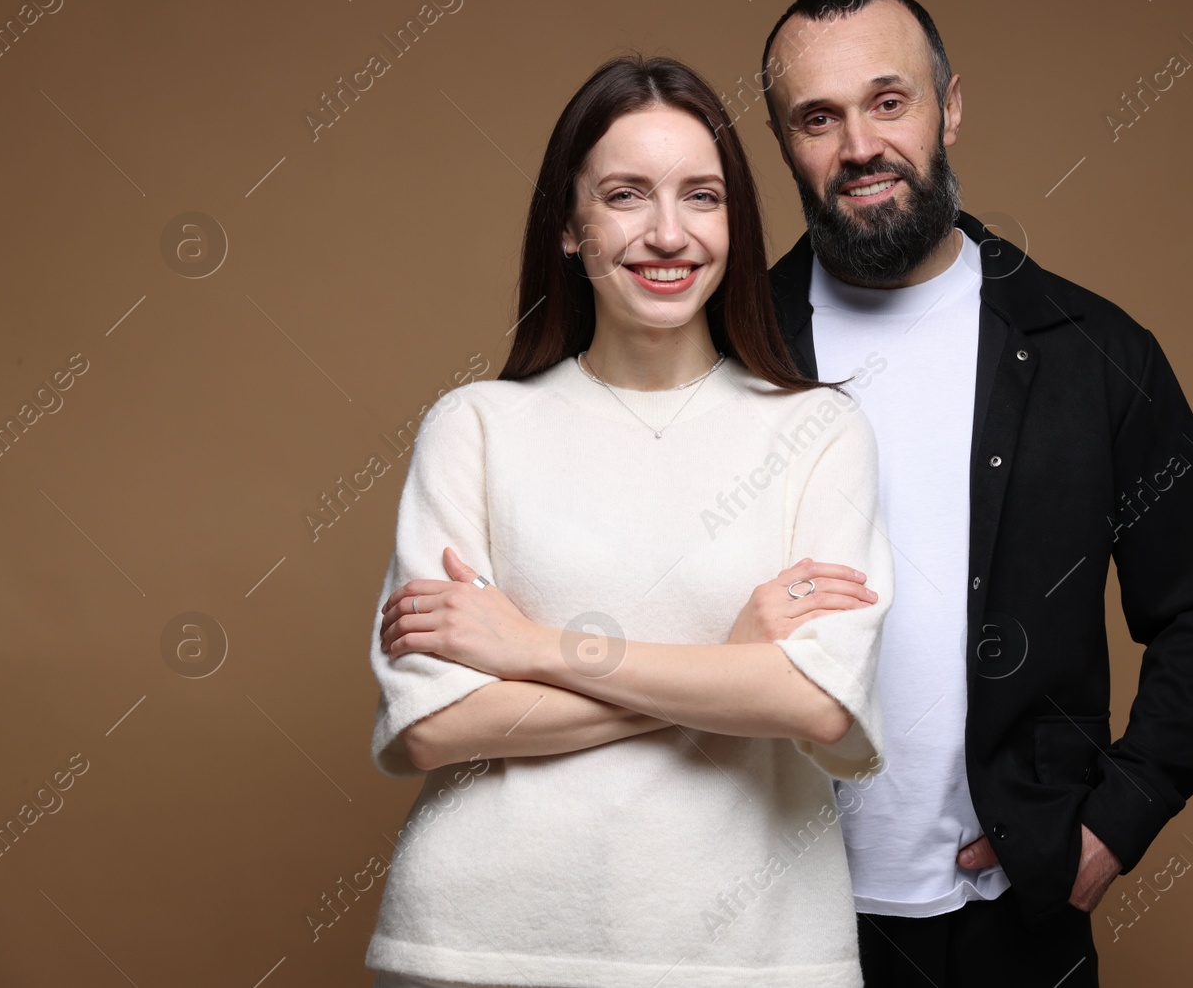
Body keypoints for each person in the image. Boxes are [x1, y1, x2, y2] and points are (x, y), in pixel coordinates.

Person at [746, 0, 1193, 987]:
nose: (858, 145)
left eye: (887, 101)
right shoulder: (727, 351)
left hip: (1003, 920)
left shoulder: (1092, 352)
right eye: (818, 117)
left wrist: (1113, 822)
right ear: (783, 143)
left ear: (948, 107)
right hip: (759, 909)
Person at [363, 54, 896, 988]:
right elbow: (432, 728)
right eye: (624, 195)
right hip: (482, 943)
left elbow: (818, 703)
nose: (667, 233)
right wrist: (732, 670)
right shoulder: (475, 427)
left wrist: (532, 647)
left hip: (754, 954)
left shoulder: (818, 430)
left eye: (701, 196)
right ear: (571, 227)